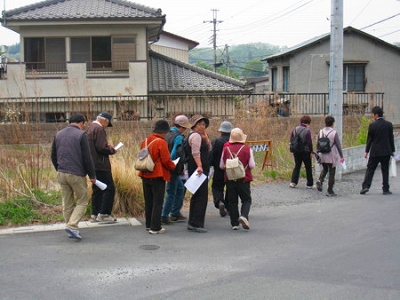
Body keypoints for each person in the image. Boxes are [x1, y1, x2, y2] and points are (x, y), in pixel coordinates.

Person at [51, 113, 96, 240]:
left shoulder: (58, 134)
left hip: (61, 172)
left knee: (67, 201)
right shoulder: (81, 135)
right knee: (83, 200)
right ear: (81, 123)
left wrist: (58, 168)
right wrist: (92, 175)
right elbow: (87, 158)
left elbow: (53, 155)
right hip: (76, 173)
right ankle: (72, 225)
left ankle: (70, 226)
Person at [138, 120, 176, 234]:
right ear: (164, 132)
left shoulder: (145, 141)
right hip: (157, 174)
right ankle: (155, 227)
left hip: (145, 173)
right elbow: (166, 160)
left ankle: (148, 225)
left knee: (148, 200)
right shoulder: (161, 142)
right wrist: (173, 165)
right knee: (157, 202)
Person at [220, 128, 255, 230]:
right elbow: (252, 165)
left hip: (230, 178)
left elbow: (221, 165)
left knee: (232, 201)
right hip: (244, 178)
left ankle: (234, 223)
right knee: (246, 199)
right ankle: (244, 216)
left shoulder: (226, 149)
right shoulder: (247, 149)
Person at [86, 112, 117, 223]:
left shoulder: (89, 129)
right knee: (109, 188)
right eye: (107, 124)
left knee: (97, 189)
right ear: (104, 120)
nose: (106, 126)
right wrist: (111, 149)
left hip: (92, 164)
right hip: (101, 164)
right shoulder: (99, 129)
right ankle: (104, 214)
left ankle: (95, 213)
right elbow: (101, 147)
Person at [161, 115, 192, 224]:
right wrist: (176, 166)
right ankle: (164, 215)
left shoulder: (167, 134)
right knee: (171, 191)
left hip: (164, 165)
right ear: (182, 127)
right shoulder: (178, 137)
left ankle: (175, 212)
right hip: (172, 167)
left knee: (179, 188)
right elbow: (175, 153)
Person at [185, 114, 212, 233]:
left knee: (197, 195)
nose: (203, 126)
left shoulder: (200, 136)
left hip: (198, 168)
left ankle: (193, 222)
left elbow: (209, 148)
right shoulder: (195, 136)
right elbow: (195, 152)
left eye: (204, 124)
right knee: (201, 196)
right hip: (198, 168)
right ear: (194, 125)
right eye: (200, 124)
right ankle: (197, 223)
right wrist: (200, 166)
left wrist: (206, 139)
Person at [360, 106, 395, 195]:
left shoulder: (372, 125)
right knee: (385, 170)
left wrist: (366, 151)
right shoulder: (389, 124)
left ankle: (366, 186)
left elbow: (369, 140)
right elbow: (391, 138)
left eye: (373, 114)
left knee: (370, 169)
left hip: (375, 152)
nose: (372, 116)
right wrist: (393, 150)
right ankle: (386, 189)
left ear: (376, 115)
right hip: (386, 151)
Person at [315, 116, 345, 197]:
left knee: (325, 169)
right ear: (332, 123)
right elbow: (338, 145)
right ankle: (330, 190)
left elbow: (318, 143)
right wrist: (341, 156)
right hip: (331, 155)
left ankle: (320, 181)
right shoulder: (334, 133)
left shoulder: (321, 132)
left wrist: (318, 153)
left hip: (322, 154)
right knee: (332, 172)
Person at [209, 120, 232, 217]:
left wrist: (210, 165)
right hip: (232, 170)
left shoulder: (216, 141)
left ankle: (219, 202)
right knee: (230, 188)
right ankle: (229, 207)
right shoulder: (234, 142)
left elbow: (211, 155)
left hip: (219, 169)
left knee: (217, 187)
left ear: (221, 131)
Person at [289, 115, 314, 189]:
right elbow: (309, 142)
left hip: (296, 151)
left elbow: (291, 139)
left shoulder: (295, 129)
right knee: (308, 167)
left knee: (297, 166)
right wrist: (311, 152)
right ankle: (309, 184)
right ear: (308, 123)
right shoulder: (307, 131)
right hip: (305, 151)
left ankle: (293, 182)